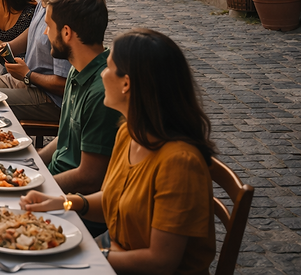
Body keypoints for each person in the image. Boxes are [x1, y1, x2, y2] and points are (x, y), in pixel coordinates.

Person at [20, 29, 216, 274]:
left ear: (126, 84)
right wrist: (63, 202)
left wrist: (82, 253)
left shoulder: (179, 163)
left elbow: (160, 261)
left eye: (109, 68)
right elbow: (114, 199)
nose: (102, 74)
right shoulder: (128, 132)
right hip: (113, 250)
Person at [34, 0, 121, 234]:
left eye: (48, 26)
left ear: (67, 32)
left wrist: (39, 185)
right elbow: (66, 137)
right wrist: (33, 165)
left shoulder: (103, 91)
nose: (45, 33)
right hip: (55, 189)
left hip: (76, 212)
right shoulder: (77, 68)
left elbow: (89, 177)